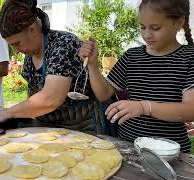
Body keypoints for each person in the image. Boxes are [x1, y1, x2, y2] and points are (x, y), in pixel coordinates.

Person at [79, 0, 194, 152]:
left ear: (179, 22)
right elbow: (103, 93)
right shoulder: (132, 56)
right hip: (128, 146)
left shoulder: (189, 58)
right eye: (142, 27)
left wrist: (144, 107)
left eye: (155, 28)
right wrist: (93, 66)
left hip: (169, 152)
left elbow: (190, 110)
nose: (147, 34)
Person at [0, 0, 114, 135]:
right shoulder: (30, 55)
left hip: (84, 127)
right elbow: (33, 99)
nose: (15, 51)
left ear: (31, 29)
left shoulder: (63, 44)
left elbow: (51, 98)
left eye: (17, 43)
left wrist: (10, 112)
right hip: (50, 127)